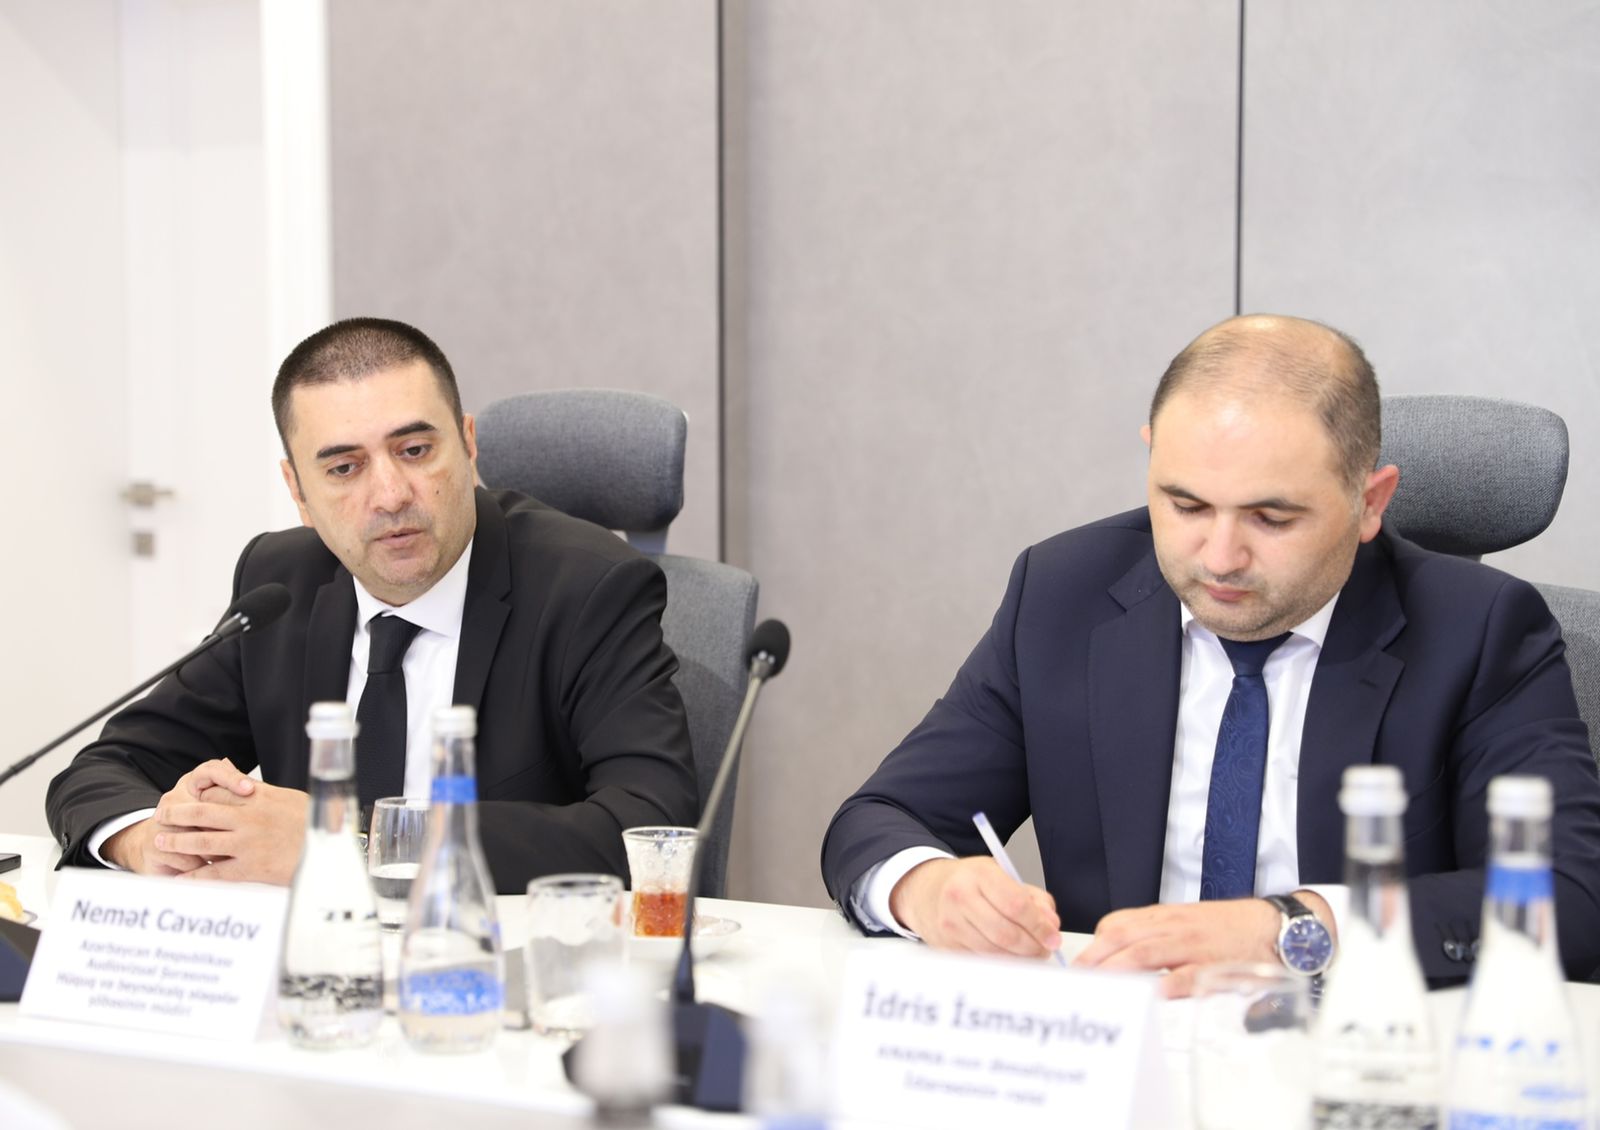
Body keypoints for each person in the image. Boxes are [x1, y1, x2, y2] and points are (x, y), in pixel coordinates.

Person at [822, 314, 1600, 993]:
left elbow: (1569, 896)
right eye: (1186, 504)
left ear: (1370, 502)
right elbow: (881, 818)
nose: (1220, 557)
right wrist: (926, 887)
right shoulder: (1065, 594)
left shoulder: (1478, 630)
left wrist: (1293, 929)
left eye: (1271, 518)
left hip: (1350, 1050)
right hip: (1126, 1049)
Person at [46, 317, 698, 892]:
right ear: (298, 490)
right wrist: (153, 841)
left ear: (468, 444)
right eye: (343, 468)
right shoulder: (280, 584)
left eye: (415, 451)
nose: (389, 495)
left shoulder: (588, 588)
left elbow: (650, 828)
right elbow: (110, 767)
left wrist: (345, 843)